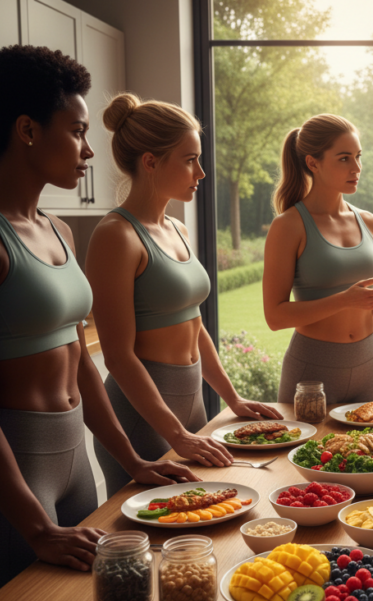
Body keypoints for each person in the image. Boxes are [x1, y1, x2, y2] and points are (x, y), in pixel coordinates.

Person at [0, 46, 198, 601]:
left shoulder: (61, 232)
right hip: (12, 476)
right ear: (26, 130)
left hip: (77, 464)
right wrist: (37, 528)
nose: (90, 151)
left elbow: (80, 364)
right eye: (76, 132)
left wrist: (132, 458)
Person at [85, 94, 282, 496]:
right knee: (155, 542)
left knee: (206, 525)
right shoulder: (116, 235)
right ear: (150, 161)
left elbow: (194, 324)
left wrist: (232, 398)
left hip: (192, 406)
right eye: (190, 159)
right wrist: (176, 435)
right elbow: (119, 357)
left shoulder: (178, 229)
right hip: (142, 417)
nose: (202, 172)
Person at [263, 114, 373, 404]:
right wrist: (343, 299)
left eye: (358, 156)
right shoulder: (288, 226)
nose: (356, 168)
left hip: (368, 365)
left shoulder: (371, 224)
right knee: (312, 451)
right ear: (313, 163)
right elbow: (275, 317)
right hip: (312, 372)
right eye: (344, 158)